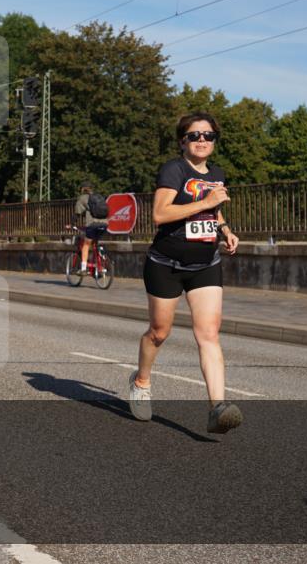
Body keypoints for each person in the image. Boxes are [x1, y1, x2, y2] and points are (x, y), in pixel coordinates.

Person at [130, 112, 242, 434]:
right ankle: (141, 381)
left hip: (206, 264)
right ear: (183, 141)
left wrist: (225, 229)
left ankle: (217, 407)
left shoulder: (217, 173)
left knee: (208, 334)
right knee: (159, 332)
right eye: (195, 136)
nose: (202, 140)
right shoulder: (173, 169)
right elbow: (160, 214)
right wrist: (206, 199)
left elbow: (212, 209)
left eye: (208, 135)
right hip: (166, 263)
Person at [73, 183, 109, 273]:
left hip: (92, 224)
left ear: (82, 189)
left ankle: (83, 269)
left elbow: (77, 213)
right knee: (95, 242)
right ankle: (101, 261)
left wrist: (72, 223)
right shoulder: (98, 197)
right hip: (104, 224)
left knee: (86, 245)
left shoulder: (83, 198)